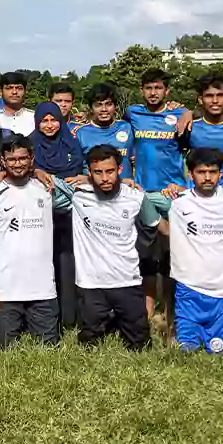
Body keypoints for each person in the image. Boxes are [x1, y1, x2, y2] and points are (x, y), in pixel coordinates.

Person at [141, 149, 223, 353]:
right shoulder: (177, 200)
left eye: (212, 172)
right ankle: (173, 329)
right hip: (188, 289)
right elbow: (141, 198)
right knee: (186, 351)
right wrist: (163, 226)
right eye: (201, 172)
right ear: (191, 174)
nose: (207, 177)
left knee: (217, 351)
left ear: (221, 174)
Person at [51, 145, 158, 351]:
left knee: (140, 345)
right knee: (89, 343)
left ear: (120, 170)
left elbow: (154, 225)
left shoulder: (135, 196)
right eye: (98, 172)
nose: (104, 178)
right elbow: (42, 177)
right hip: (91, 284)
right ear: (89, 173)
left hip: (127, 280)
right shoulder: (78, 195)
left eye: (110, 171)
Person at [0, 135, 60, 347]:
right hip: (5, 289)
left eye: (23, 158)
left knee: (48, 348)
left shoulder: (47, 188)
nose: (18, 163)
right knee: (4, 346)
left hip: (42, 289)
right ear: (3, 161)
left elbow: (86, 187)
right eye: (11, 160)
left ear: (32, 158)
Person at [124, 69, 186, 339]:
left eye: (158, 88)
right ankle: (148, 314)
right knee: (146, 257)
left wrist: (188, 112)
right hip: (144, 193)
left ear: (167, 91)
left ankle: (172, 314)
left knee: (175, 258)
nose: (153, 93)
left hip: (173, 195)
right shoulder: (133, 114)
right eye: (148, 88)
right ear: (141, 90)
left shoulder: (178, 117)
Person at [30, 101, 83, 331]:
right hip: (38, 217)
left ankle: (69, 316)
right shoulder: (31, 145)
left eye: (54, 120)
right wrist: (36, 171)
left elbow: (79, 172)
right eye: (44, 120)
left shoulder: (71, 144)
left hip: (68, 216)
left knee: (66, 263)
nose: (50, 125)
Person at [178, 73, 223, 186]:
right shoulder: (190, 127)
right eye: (209, 96)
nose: (215, 100)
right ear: (200, 99)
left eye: (220, 95)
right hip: (196, 197)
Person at [72, 83, 134, 179]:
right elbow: (75, 168)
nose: (104, 109)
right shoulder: (80, 133)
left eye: (108, 104)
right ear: (91, 108)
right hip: (92, 190)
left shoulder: (127, 127)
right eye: (98, 105)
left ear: (115, 106)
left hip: (124, 189)